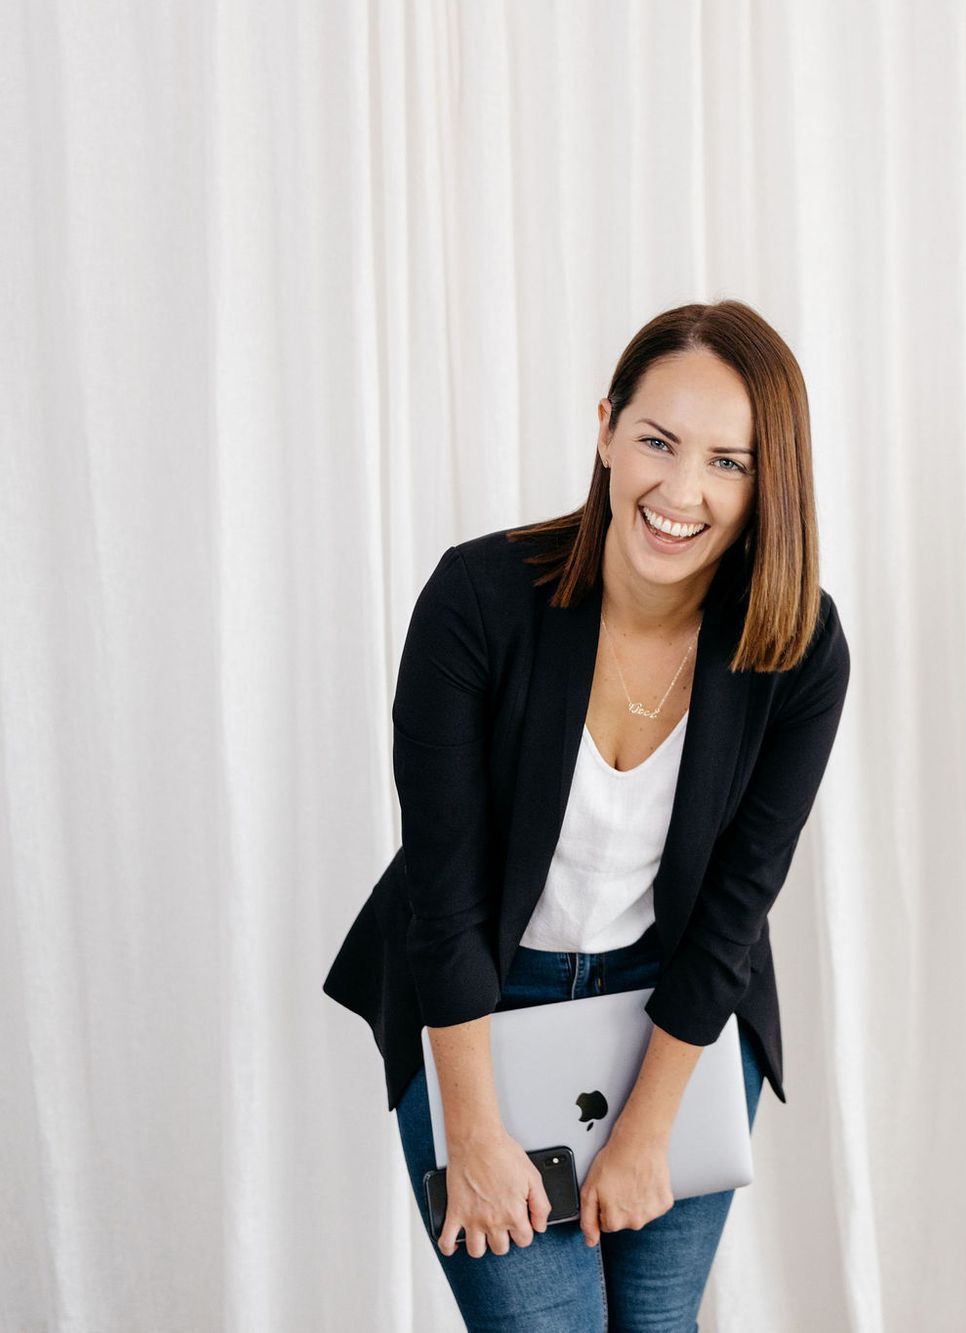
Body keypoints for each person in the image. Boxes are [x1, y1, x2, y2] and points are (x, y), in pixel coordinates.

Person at [322, 299, 852, 1329]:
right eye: (657, 440)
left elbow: (735, 905)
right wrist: (471, 1132)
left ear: (765, 483)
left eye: (728, 462)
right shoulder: (478, 600)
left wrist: (648, 1130)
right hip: (479, 999)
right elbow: (444, 888)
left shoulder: (798, 645)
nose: (681, 490)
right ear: (605, 428)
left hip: (679, 1009)